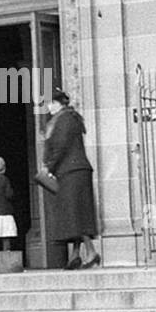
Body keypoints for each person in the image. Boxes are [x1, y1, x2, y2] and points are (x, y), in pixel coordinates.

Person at [41, 88, 100, 269]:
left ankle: (91, 253)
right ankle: (75, 255)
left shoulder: (65, 119)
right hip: (72, 170)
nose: (48, 107)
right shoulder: (68, 117)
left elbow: (60, 145)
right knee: (73, 212)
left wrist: (48, 167)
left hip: (71, 171)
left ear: (59, 103)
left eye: (50, 103)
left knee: (75, 213)